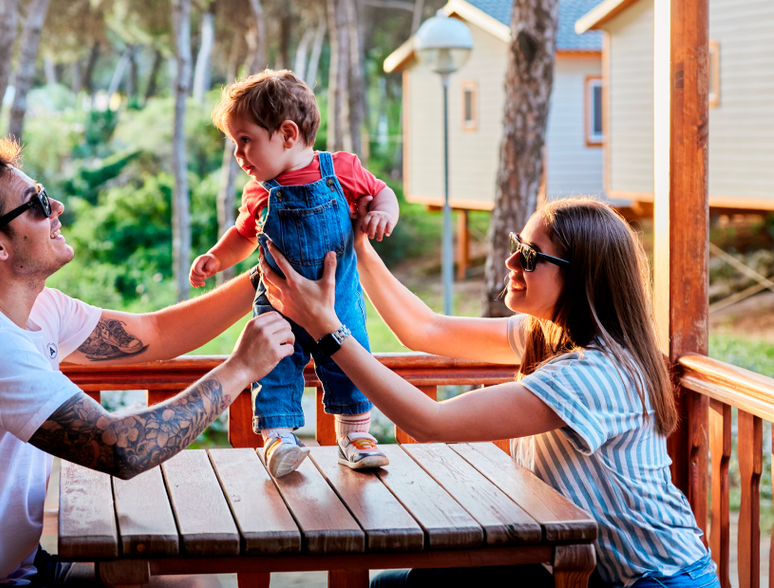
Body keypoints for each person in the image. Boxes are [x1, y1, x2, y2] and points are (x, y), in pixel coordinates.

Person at [0, 138, 296, 588]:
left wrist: (269, 271)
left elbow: (155, 334)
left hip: (20, 570)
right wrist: (240, 370)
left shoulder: (37, 307)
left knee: (193, 583)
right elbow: (122, 448)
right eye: (36, 203)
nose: (55, 206)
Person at [260, 196, 717, 588]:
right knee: (397, 584)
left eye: (531, 257)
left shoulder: (595, 373)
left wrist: (326, 329)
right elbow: (425, 329)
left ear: (581, 280)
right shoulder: (548, 333)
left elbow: (431, 423)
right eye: (519, 246)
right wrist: (358, 246)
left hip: (658, 578)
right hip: (584, 568)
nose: (511, 262)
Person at [188, 70, 400, 476]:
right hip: (277, 305)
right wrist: (216, 258)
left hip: (337, 301)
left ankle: (355, 437)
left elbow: (381, 191)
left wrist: (381, 213)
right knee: (274, 367)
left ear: (286, 133)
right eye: (235, 143)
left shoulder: (341, 169)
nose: (238, 154)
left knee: (350, 365)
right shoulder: (259, 191)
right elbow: (243, 235)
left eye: (245, 140)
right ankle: (279, 439)